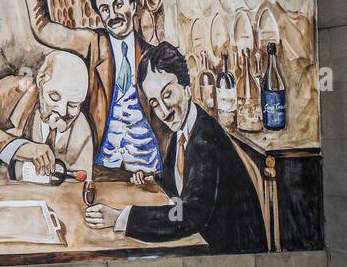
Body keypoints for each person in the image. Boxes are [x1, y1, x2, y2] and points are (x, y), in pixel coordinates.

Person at [83, 42, 266, 253]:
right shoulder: (184, 129)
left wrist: (121, 217)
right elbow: (177, 185)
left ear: (187, 88)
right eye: (154, 103)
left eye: (167, 94)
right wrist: (153, 179)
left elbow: (189, 215)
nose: (163, 111)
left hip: (232, 255)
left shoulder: (205, 138)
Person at [19, 0, 162, 176]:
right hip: (104, 164)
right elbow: (43, 29)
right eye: (105, 9)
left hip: (148, 166)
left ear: (132, 6)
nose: (113, 14)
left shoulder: (153, 55)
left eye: (118, 5)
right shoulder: (93, 43)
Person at [0, 50, 94, 176]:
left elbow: (79, 188)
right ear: (41, 80)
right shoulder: (14, 91)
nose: (62, 111)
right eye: (54, 96)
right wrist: (18, 147)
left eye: (73, 105)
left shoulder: (81, 130)